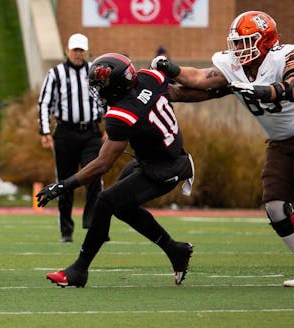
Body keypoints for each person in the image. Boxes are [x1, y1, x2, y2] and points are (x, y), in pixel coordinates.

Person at [152, 10, 294, 288]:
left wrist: (264, 91)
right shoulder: (232, 65)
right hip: (280, 141)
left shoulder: (285, 54)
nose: (239, 49)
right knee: (275, 205)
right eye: (237, 43)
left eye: (246, 42)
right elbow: (199, 79)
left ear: (265, 41)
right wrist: (171, 70)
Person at [36, 53, 196, 287]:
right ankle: (175, 250)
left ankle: (79, 270)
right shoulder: (148, 78)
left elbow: (103, 164)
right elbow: (182, 93)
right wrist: (222, 88)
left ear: (116, 85)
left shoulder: (121, 114)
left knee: (106, 201)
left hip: (165, 169)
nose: (97, 92)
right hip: (155, 159)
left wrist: (63, 185)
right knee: (121, 207)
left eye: (100, 86)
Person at [37, 33, 104, 242]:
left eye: (81, 50)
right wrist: (45, 131)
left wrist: (111, 127)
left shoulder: (95, 71)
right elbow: (44, 103)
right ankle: (66, 230)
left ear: (86, 51)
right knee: (64, 182)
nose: (78, 54)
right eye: (74, 50)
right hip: (65, 132)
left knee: (94, 175)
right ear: (68, 51)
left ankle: (92, 223)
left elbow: (109, 98)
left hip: (92, 132)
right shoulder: (56, 73)